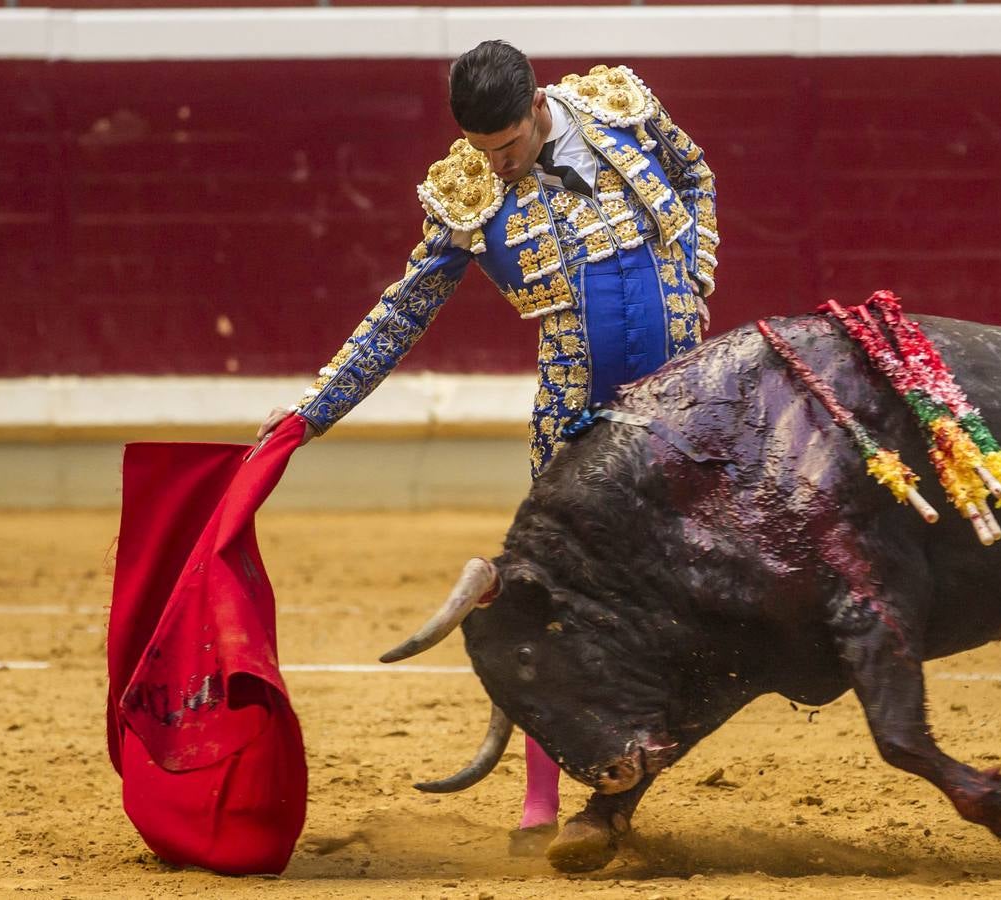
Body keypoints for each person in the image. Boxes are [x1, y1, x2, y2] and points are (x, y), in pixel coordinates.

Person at [256, 39, 719, 847]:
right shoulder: (465, 191)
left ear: (538, 106)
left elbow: (693, 173)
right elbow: (402, 311)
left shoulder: (619, 105)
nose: (496, 167)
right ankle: (541, 799)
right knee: (548, 605)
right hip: (575, 416)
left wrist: (694, 271)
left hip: (681, 403)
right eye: (482, 150)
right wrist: (311, 412)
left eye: (506, 148)